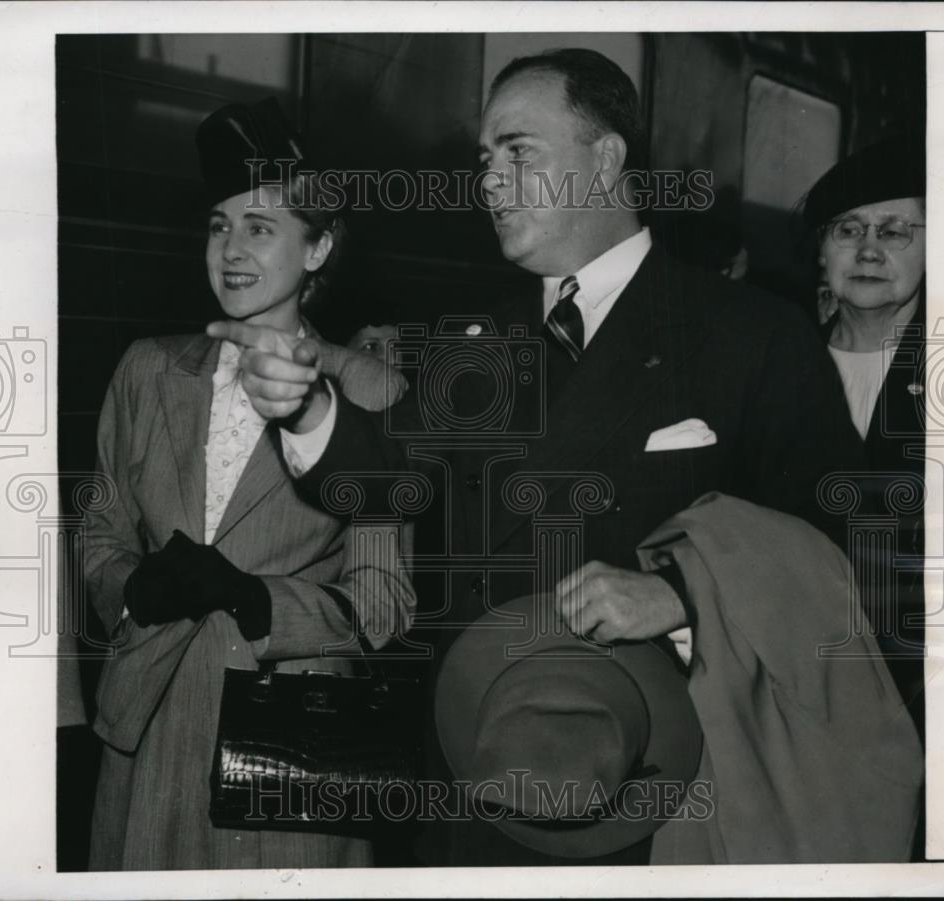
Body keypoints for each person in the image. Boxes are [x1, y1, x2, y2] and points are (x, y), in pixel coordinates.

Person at [209, 50, 880, 864]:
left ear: (604, 160)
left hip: (656, 781)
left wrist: (681, 591)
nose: (490, 180)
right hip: (481, 758)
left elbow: (843, 537)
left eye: (518, 151)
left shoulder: (751, 335)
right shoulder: (474, 342)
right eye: (485, 159)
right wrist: (307, 407)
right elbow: (389, 479)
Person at [84, 98, 415, 871]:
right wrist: (137, 591)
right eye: (218, 224)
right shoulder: (147, 369)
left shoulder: (372, 393)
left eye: (261, 227)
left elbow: (385, 600)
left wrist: (260, 601)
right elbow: (100, 533)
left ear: (320, 246)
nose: (230, 248)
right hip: (146, 721)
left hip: (289, 737)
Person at [803, 137, 927, 734]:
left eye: (896, 231)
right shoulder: (775, 360)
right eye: (848, 231)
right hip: (797, 666)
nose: (869, 251)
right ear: (822, 251)